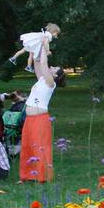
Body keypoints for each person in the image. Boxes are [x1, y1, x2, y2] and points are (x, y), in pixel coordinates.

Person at [19, 49, 61, 184]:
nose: (52, 67)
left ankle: (42, 177)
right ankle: (26, 176)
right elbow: (38, 63)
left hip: (40, 119)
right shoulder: (42, 79)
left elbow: (43, 63)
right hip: (30, 119)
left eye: (54, 68)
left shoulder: (50, 82)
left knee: (40, 147)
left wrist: (44, 46)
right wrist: (35, 50)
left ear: (55, 75)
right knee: (27, 146)